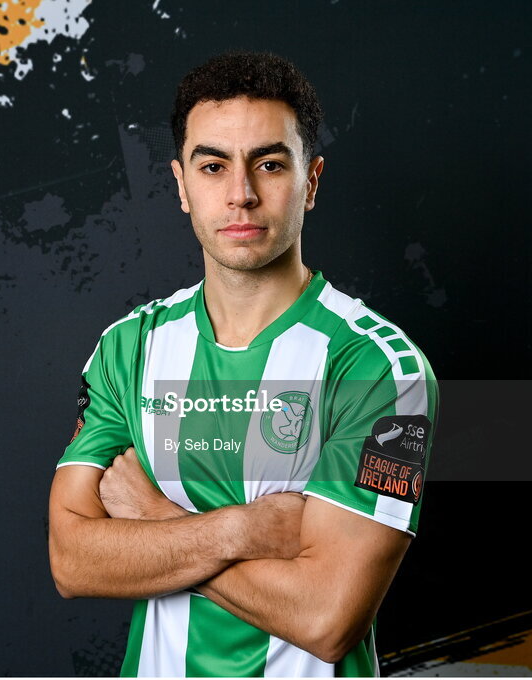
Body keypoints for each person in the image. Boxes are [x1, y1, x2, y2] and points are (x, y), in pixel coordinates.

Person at [48, 51, 438, 677]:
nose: (241, 194)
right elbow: (72, 560)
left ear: (311, 181)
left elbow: (327, 619)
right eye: (213, 166)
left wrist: (156, 520)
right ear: (181, 185)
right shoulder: (129, 347)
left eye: (270, 164)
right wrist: (244, 530)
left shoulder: (379, 368)